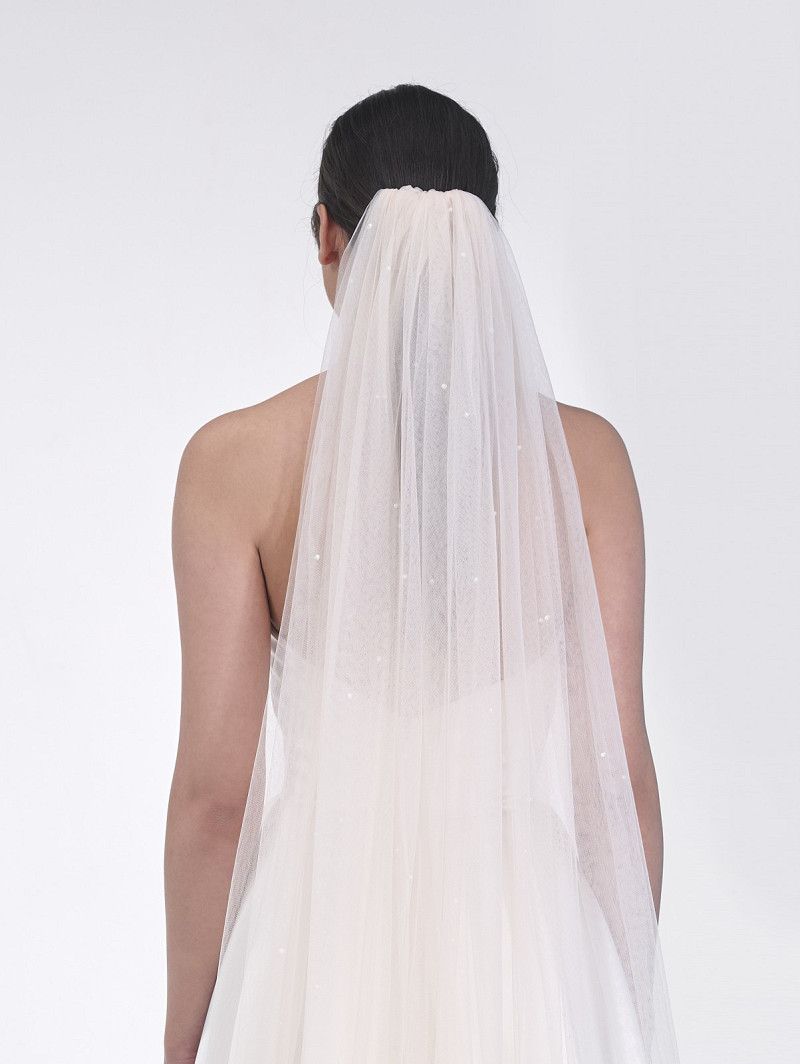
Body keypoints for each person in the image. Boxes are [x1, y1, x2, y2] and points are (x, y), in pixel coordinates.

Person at [163, 84, 680, 1063]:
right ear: (486, 241)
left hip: (317, 942)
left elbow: (214, 803)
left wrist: (185, 1035)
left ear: (327, 234)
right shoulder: (587, 463)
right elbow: (616, 784)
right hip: (521, 948)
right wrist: (622, 1003)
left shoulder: (232, 466)